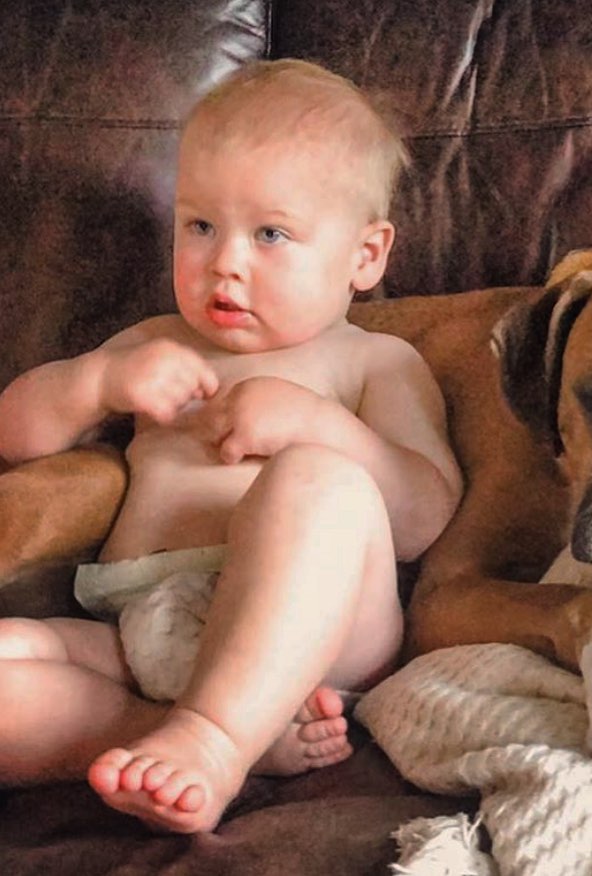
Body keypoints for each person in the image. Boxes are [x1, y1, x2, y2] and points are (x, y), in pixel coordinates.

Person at [0, 59, 463, 833]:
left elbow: (423, 514)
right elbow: (15, 434)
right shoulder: (153, 345)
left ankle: (217, 741)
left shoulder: (374, 363)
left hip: (314, 637)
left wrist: (321, 429)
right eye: (200, 225)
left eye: (272, 233)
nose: (226, 261)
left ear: (365, 256)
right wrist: (99, 383)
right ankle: (158, 742)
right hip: (137, 630)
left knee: (319, 482)